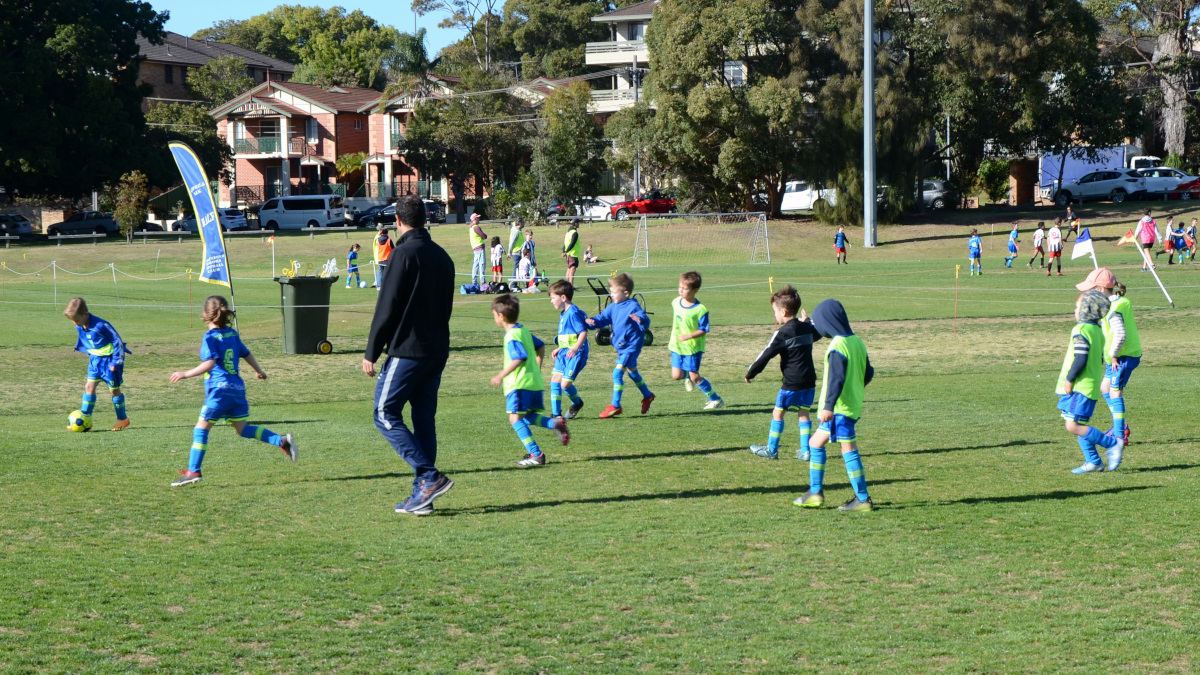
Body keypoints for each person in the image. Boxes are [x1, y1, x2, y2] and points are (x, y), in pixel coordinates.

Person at [364, 195, 456, 516]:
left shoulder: (401, 254)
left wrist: (372, 351)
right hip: (437, 350)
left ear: (398, 222)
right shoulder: (444, 257)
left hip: (408, 350)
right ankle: (423, 497)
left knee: (384, 412)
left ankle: (429, 477)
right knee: (423, 419)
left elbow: (386, 307)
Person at [168, 296, 297, 486]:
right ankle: (281, 441)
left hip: (219, 391)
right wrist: (259, 371)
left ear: (205, 315)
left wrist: (185, 374)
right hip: (237, 389)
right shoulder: (232, 334)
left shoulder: (210, 338)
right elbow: (246, 353)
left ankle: (193, 471)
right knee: (242, 429)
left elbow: (210, 362)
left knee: (200, 430)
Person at [793, 299, 875, 512]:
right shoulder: (857, 342)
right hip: (850, 406)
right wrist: (855, 388)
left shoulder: (837, 346)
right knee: (814, 443)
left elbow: (836, 379)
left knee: (849, 450)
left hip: (838, 410)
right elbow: (869, 373)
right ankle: (815, 492)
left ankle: (863, 498)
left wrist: (829, 406)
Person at [489, 294, 570, 467]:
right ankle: (553, 423)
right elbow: (540, 345)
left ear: (501, 316)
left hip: (519, 384)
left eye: (494, 315)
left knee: (515, 419)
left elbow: (519, 357)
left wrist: (500, 375)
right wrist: (537, 367)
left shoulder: (511, 336)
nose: (494, 318)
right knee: (526, 416)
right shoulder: (523, 330)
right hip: (534, 383)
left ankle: (536, 454)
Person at [745, 286, 822, 461]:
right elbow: (817, 333)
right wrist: (808, 321)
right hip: (809, 381)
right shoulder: (807, 328)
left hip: (792, 382)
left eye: (775, 311)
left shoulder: (781, 333)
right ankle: (806, 451)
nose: (775, 315)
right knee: (803, 413)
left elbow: (766, 354)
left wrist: (751, 372)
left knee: (778, 413)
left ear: (784, 311)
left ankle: (772, 450)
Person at [1055, 289, 1126, 474]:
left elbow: (1080, 358)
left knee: (1073, 426)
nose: (1075, 310)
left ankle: (1112, 443)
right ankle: (1094, 462)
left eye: (1078, 307)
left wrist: (1070, 380)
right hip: (1090, 385)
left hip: (1081, 386)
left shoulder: (1081, 329)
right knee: (1080, 425)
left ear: (1087, 309)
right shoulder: (1097, 330)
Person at [1076, 269, 1141, 465]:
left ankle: (1119, 437)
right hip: (1118, 356)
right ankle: (1120, 428)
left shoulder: (1115, 307)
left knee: (1115, 393)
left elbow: (1120, 334)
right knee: (1105, 388)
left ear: (1102, 288)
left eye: (1091, 289)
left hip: (1123, 356)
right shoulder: (1109, 304)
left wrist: (1112, 355)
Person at [587, 273, 654, 418]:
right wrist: (593, 322)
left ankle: (615, 405)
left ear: (626, 293)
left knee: (617, 373)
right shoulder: (613, 307)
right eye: (610, 292)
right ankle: (648, 395)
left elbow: (645, 319)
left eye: (614, 292)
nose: (611, 295)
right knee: (632, 373)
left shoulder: (633, 305)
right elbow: (602, 318)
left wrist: (640, 320)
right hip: (622, 347)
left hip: (631, 346)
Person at [64, 297, 132, 432]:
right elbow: (86, 339)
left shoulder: (101, 325)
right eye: (73, 320)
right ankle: (85, 418)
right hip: (95, 361)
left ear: (86, 314)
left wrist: (116, 362)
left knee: (114, 390)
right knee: (89, 386)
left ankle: (122, 419)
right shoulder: (80, 325)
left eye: (77, 320)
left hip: (110, 362)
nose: (75, 323)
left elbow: (117, 341)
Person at [669, 271, 723, 409]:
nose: (681, 290)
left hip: (692, 348)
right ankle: (687, 375)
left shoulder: (700, 309)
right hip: (676, 346)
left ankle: (715, 399)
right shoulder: (675, 302)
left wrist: (688, 336)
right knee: (676, 376)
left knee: (695, 377)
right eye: (680, 287)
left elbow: (704, 329)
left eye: (685, 288)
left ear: (695, 290)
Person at [549, 280, 589, 420]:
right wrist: (559, 348)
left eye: (553, 298)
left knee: (565, 384)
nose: (551, 301)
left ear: (563, 297)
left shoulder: (573, 312)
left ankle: (577, 403)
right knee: (555, 379)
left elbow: (582, 332)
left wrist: (576, 348)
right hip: (564, 352)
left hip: (575, 353)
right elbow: (569, 334)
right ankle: (556, 415)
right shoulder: (564, 313)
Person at [468, 212, 488, 285]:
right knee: (482, 265)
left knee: (475, 265)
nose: (479, 219)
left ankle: (474, 281)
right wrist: (485, 235)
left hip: (475, 248)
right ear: (475, 219)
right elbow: (483, 236)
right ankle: (482, 281)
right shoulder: (476, 227)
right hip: (479, 247)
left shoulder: (471, 227)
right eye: (478, 218)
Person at [373, 225, 393, 289]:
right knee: (387, 272)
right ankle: (386, 285)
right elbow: (393, 248)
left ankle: (379, 285)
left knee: (380, 271)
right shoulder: (389, 240)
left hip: (380, 258)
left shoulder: (378, 240)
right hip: (387, 258)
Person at [562, 218, 582, 283]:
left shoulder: (568, 233)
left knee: (569, 269)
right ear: (575, 224)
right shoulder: (575, 233)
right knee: (572, 270)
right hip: (573, 254)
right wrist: (566, 251)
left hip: (568, 254)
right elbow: (572, 243)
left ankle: (566, 285)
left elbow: (565, 243)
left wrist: (564, 251)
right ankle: (570, 286)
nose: (579, 224)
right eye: (578, 223)